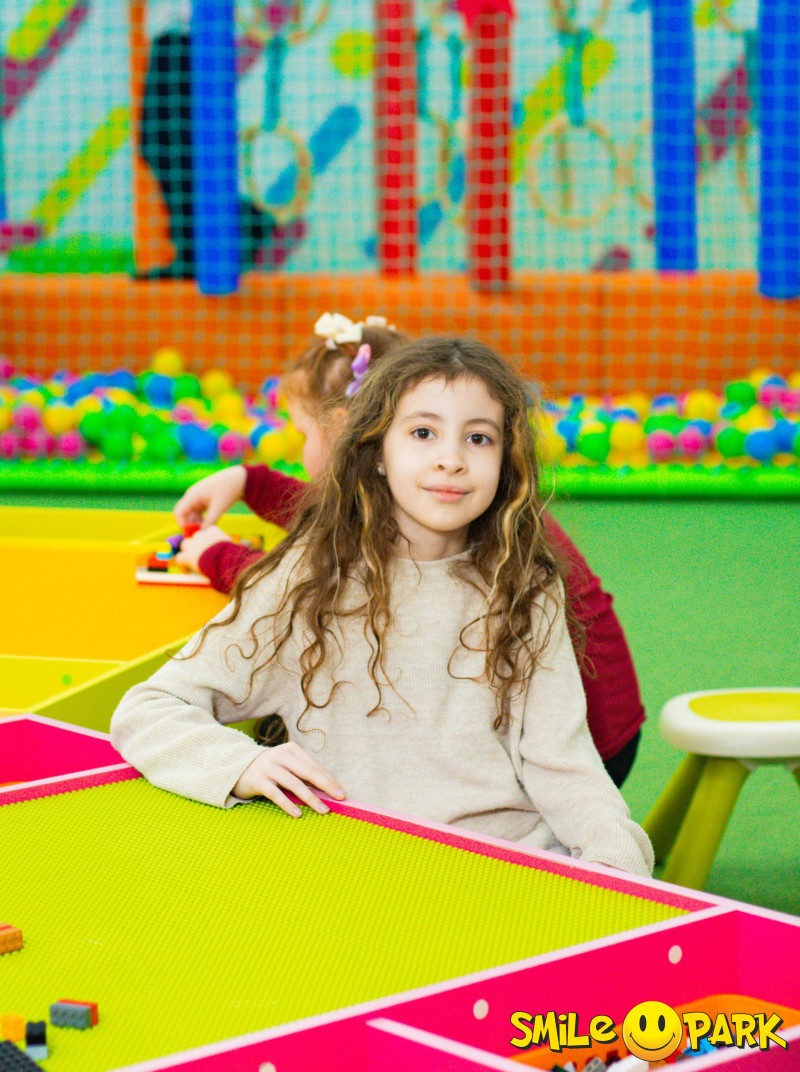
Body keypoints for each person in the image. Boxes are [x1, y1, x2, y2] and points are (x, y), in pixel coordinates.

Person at [111, 337, 653, 877]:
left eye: (479, 438)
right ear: (376, 455)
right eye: (423, 433)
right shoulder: (306, 581)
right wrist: (241, 763)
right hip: (358, 867)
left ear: (505, 463)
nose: (451, 459)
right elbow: (150, 709)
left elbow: (563, 764)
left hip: (504, 865)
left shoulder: (529, 587)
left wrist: (616, 856)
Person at [174, 314, 645, 787]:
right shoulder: (467, 494)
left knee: (293, 722)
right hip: (601, 728)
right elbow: (331, 515)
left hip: (570, 750)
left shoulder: (463, 512)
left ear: (345, 430)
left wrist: (216, 555)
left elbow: (315, 586)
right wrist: (249, 481)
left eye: (303, 434)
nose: (448, 458)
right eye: (424, 433)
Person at [79, 0, 273, 279]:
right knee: (178, 144)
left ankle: (231, 230)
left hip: (184, 36)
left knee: (164, 143)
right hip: (189, 33)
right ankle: (217, 237)